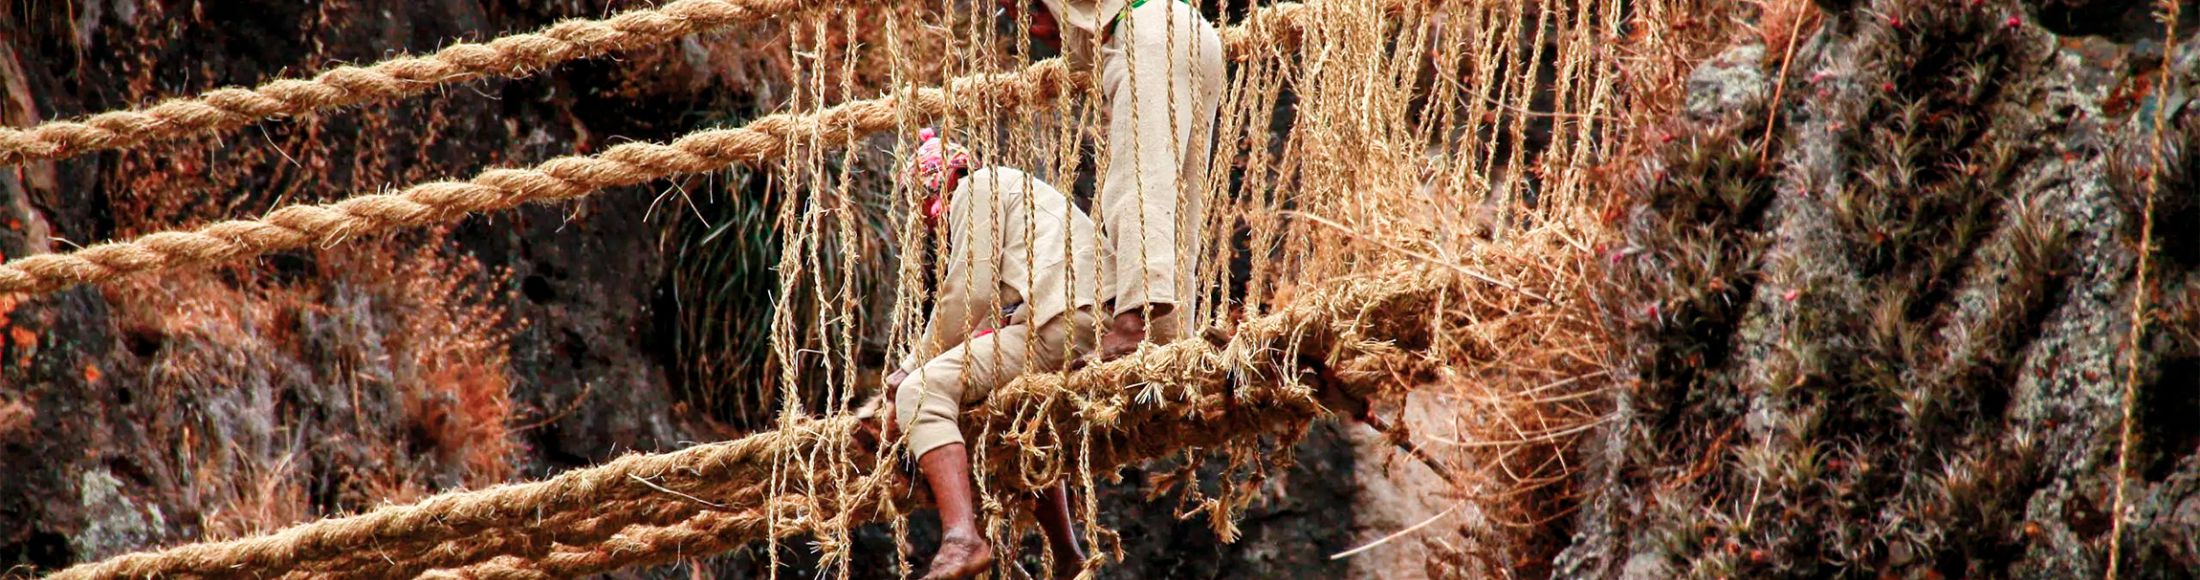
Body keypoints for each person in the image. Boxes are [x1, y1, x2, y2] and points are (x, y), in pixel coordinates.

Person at [885, 129, 1106, 579]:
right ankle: (1067, 555)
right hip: (1085, 320)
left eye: (924, 212)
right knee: (1017, 418)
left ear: (934, 188)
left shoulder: (975, 188)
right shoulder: (1016, 189)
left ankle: (962, 538)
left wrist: (909, 369)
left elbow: (967, 294)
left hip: (1061, 323)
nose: (930, 226)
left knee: (920, 393)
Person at [1003, 0, 1227, 360]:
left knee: (1137, 181)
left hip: (1151, 35)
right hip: (1191, 34)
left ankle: (1134, 324)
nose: (1032, 31)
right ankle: (1168, 341)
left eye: (1028, 14)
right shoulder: (1098, 26)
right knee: (1178, 199)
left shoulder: (1126, 25)